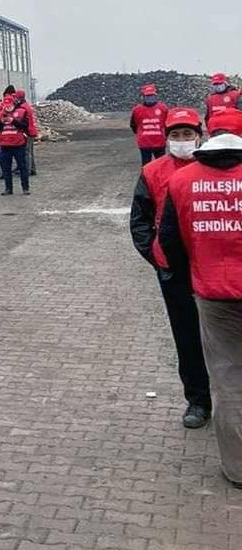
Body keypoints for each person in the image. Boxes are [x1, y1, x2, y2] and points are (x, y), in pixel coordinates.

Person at [158, 108, 242, 490]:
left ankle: (238, 469)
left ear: (206, 135)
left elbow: (169, 243)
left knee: (227, 378)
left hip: (212, 292)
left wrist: (187, 274)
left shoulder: (183, 181)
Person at [130, 107, 212, 429]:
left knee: (224, 336)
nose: (182, 141)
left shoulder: (214, 168)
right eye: (175, 136)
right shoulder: (152, 172)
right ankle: (198, 399)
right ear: (166, 139)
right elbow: (140, 221)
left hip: (213, 269)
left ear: (199, 136)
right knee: (187, 335)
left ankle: (229, 397)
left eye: (187, 135)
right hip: (175, 272)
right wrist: (158, 257)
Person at [0, 95, 31, 195]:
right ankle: (8, 188)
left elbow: (25, 126)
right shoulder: (0, 114)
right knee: (6, 168)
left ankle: (25, 188)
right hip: (5, 144)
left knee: (22, 167)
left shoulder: (21, 112)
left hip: (19, 144)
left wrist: (14, 121)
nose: (7, 107)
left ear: (13, 103)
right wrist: (1, 122)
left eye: (9, 105)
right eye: (5, 105)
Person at [131, 85, 169, 165]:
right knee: (146, 165)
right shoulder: (137, 110)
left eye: (151, 95)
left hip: (159, 143)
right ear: (143, 97)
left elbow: (168, 123)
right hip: (145, 143)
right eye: (147, 96)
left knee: (161, 165)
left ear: (155, 96)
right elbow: (133, 125)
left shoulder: (163, 108)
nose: (150, 98)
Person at [15, 90, 38, 176]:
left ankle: (27, 171)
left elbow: (22, 121)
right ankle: (32, 169)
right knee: (30, 152)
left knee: (26, 152)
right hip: (31, 131)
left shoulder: (23, 108)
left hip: (27, 132)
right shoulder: (26, 105)